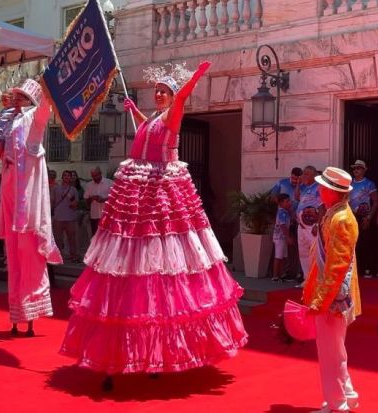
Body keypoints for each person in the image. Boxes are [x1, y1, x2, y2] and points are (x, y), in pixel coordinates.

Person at [60, 61, 247, 391]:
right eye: (156, 90)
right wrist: (135, 110)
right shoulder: (153, 120)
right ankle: (122, 355)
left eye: (164, 91)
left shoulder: (174, 115)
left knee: (163, 266)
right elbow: (150, 127)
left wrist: (193, 81)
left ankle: (158, 354)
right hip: (137, 196)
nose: (158, 94)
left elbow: (179, 104)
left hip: (160, 193)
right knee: (130, 267)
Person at [0, 78, 62, 337]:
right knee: (13, 254)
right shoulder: (10, 120)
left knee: (29, 249)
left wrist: (47, 86)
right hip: (10, 185)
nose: (15, 100)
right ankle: (16, 316)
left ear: (29, 100)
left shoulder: (35, 117)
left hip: (27, 189)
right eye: (15, 97)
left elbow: (45, 107)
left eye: (20, 97)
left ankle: (32, 314)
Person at [302, 166, 361, 413]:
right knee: (335, 350)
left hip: (334, 296)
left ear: (333, 192)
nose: (318, 189)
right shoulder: (334, 214)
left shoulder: (340, 219)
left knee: (330, 354)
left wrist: (320, 299)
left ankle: (337, 404)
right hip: (332, 293)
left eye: (322, 186)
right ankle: (347, 395)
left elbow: (338, 266)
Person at [348, 160, 378, 279]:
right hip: (352, 216)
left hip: (364, 216)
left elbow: (376, 201)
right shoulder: (349, 184)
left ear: (364, 170)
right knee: (353, 242)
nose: (356, 170)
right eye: (354, 168)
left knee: (365, 242)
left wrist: (369, 217)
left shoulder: (369, 184)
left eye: (359, 168)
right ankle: (356, 268)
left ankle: (367, 268)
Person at [296, 165, 322, 284]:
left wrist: (317, 224)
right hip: (301, 225)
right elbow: (296, 197)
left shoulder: (318, 187)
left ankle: (316, 278)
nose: (303, 176)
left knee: (314, 251)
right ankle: (307, 278)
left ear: (314, 176)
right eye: (303, 173)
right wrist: (298, 184)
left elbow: (322, 206)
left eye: (306, 174)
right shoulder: (304, 187)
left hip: (312, 225)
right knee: (303, 252)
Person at [52, 170, 80, 262]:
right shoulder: (56, 189)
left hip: (70, 218)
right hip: (58, 218)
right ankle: (58, 256)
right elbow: (52, 202)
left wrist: (74, 204)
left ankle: (74, 256)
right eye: (65, 175)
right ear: (62, 177)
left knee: (72, 238)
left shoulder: (73, 189)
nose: (67, 177)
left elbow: (76, 203)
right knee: (57, 239)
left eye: (69, 176)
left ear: (70, 178)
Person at [83, 166, 113, 238]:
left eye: (96, 175)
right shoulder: (89, 185)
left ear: (100, 173)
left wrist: (104, 199)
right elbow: (86, 201)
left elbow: (115, 198)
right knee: (95, 237)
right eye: (93, 176)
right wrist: (92, 198)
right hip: (94, 216)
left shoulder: (109, 183)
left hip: (107, 215)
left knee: (107, 238)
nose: (95, 178)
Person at [272, 193, 294, 282]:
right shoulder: (282, 212)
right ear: (281, 203)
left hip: (282, 238)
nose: (289, 203)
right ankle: (275, 276)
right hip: (280, 238)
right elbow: (283, 226)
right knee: (278, 256)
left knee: (283, 257)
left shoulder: (285, 212)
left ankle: (281, 275)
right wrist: (288, 237)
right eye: (287, 201)